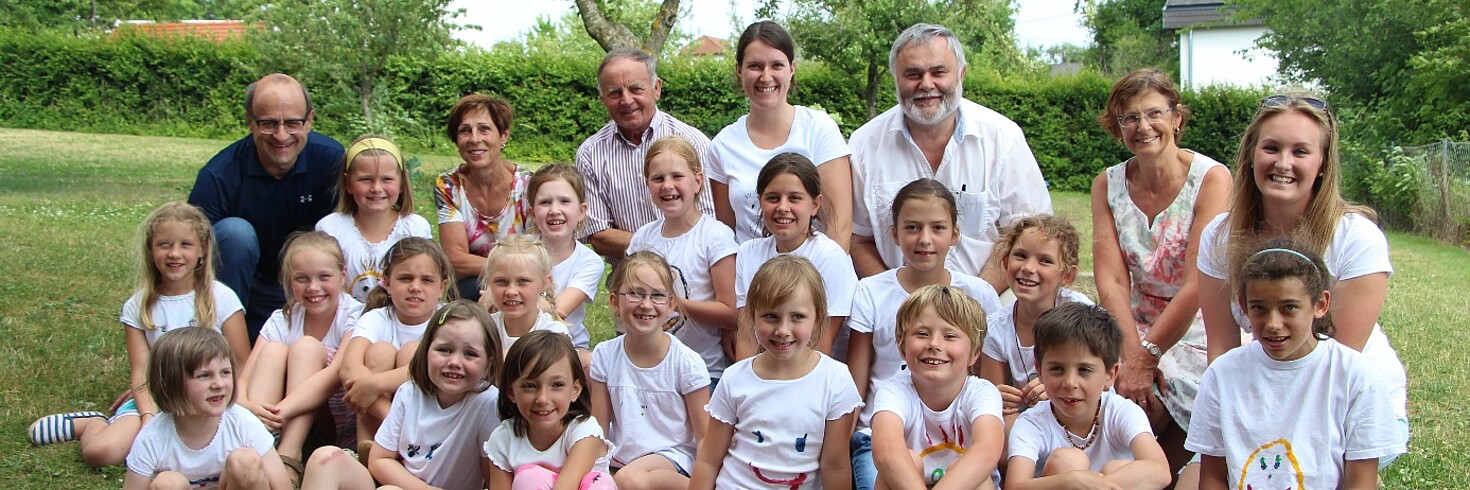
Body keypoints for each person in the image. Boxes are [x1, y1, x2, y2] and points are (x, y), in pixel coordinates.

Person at [1192, 92, 1408, 483]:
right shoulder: (1219, 237)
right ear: (1251, 155)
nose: (1283, 163)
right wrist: (1232, 424)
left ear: (1322, 163)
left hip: (1342, 402)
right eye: (1271, 148)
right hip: (1261, 387)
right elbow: (1221, 348)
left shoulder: (1357, 237)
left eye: (1301, 152)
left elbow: (1337, 364)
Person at [29, 202, 248, 468]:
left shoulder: (222, 298)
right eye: (164, 244)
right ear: (150, 250)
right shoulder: (138, 306)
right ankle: (92, 424)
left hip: (210, 399)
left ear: (203, 249)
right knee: (102, 453)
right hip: (159, 398)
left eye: (185, 245)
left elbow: (240, 363)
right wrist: (147, 417)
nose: (174, 254)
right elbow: (141, 372)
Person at [1089, 69, 1231, 470]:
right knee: (1100, 386)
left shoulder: (1212, 179)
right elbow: (1112, 280)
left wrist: (1148, 357)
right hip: (1128, 324)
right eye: (1129, 118)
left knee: (1157, 392)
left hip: (1199, 322)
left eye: (1154, 114)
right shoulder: (1107, 184)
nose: (1142, 126)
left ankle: (1166, 472)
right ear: (1118, 128)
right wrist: (1133, 349)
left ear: (1176, 119)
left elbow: (1198, 283)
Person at [1187, 240, 1404, 489]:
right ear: (1244, 305)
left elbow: (1361, 481)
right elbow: (1213, 476)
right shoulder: (1222, 375)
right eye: (1259, 308)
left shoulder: (1356, 376)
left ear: (1320, 304)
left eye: (1289, 307)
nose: (1273, 323)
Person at [849, 23, 1051, 287]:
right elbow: (858, 239)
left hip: (989, 299)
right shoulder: (864, 144)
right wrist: (896, 300)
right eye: (913, 74)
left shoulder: (1003, 138)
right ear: (895, 78)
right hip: (897, 308)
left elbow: (1029, 234)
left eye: (938, 72)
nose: (926, 84)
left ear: (961, 74)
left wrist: (973, 302)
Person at [846, 179, 1002, 490]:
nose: (925, 239)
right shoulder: (871, 292)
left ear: (955, 234)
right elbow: (856, 383)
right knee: (899, 467)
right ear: (895, 233)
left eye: (938, 228)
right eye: (913, 227)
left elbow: (987, 372)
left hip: (958, 437)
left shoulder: (978, 294)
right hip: (887, 426)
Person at [689, 255, 863, 490]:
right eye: (771, 316)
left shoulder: (835, 380)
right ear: (752, 316)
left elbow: (835, 466)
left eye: (797, 317)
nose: (783, 330)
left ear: (818, 319)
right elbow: (709, 460)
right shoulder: (734, 379)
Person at [190, 73, 344, 337]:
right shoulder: (220, 175)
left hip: (313, 283)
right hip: (248, 286)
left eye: (293, 123)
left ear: (309, 121)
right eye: (269, 123)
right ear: (250, 122)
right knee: (235, 233)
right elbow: (191, 250)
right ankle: (223, 337)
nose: (281, 135)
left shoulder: (331, 161)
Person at [301, 300, 504, 490]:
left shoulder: (487, 402)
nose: (454, 362)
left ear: (489, 365)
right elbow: (379, 459)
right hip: (406, 486)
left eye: (470, 354)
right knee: (325, 458)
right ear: (425, 353)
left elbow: (493, 478)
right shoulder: (410, 392)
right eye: (444, 350)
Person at [708, 20, 853, 247]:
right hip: (752, 278)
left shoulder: (819, 130)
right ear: (739, 70)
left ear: (792, 68)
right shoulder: (722, 146)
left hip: (814, 276)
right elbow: (727, 236)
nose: (766, 77)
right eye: (755, 66)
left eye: (777, 65)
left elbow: (839, 227)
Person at [235, 231, 363, 478]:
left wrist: (278, 411)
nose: (313, 287)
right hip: (279, 417)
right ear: (288, 280)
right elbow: (243, 378)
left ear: (343, 274)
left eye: (324, 276)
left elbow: (335, 374)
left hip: (333, 416)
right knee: (273, 350)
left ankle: (288, 457)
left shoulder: (355, 314)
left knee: (306, 347)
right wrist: (248, 406)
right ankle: (258, 449)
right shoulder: (283, 318)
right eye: (302, 278)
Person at [1004, 303, 1171, 490]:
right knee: (1067, 461)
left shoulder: (1121, 411)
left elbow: (1161, 471)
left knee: (1120, 468)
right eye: (1057, 369)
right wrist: (1070, 482)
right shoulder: (1032, 423)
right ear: (1039, 371)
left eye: (1084, 370)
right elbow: (1014, 486)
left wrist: (1096, 485)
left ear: (1110, 374)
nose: (1070, 382)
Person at [576, 48, 715, 261]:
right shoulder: (590, 154)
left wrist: (664, 252)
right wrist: (660, 249)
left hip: (694, 270)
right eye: (614, 92)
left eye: (636, 89)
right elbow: (598, 234)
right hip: (630, 281)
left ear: (656, 88)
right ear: (602, 97)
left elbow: (711, 222)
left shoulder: (695, 143)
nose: (626, 100)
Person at [588, 252, 712, 489]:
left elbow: (705, 435)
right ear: (615, 302)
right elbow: (599, 429)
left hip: (673, 458)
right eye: (635, 293)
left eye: (657, 296)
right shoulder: (604, 355)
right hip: (623, 458)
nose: (646, 304)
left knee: (627, 479)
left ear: (671, 305)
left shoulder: (686, 362)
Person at [870, 285, 1005, 490]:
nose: (934, 344)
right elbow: (886, 453)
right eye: (922, 333)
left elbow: (986, 451)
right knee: (906, 462)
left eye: (950, 336)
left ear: (974, 353)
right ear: (901, 345)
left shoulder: (982, 392)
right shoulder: (893, 392)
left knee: (973, 473)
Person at [122, 327, 292, 490]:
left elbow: (282, 487)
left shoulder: (243, 423)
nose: (219, 384)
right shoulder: (153, 437)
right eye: (204, 375)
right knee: (167, 484)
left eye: (225, 372)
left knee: (245, 462)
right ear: (171, 383)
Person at [627, 136, 739, 380]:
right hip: (648, 369)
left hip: (702, 371)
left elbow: (731, 312)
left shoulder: (715, 236)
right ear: (648, 184)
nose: (667, 185)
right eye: (658, 178)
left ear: (698, 181)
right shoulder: (641, 238)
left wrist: (673, 302)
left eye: (677, 176)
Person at [733, 153, 858, 361]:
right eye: (773, 198)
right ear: (760, 201)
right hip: (764, 368)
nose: (783, 207)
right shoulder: (748, 253)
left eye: (794, 198)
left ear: (815, 205)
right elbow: (747, 336)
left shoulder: (830, 257)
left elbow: (820, 345)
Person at [338, 237, 456, 450]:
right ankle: (369, 447)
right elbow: (349, 367)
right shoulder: (376, 318)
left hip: (432, 421)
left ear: (442, 287)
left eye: (426, 280)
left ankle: (410, 447)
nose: (415, 287)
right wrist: (392, 420)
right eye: (405, 278)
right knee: (379, 352)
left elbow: (437, 369)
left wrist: (374, 384)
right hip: (384, 418)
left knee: (413, 353)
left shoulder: (448, 320)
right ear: (387, 283)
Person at [977, 215, 1092, 432]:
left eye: (1045, 261)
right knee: (1001, 430)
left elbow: (1101, 384)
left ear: (1066, 275)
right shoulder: (996, 327)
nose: (1029, 267)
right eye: (1020, 256)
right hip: (1029, 419)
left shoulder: (1083, 316)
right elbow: (993, 399)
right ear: (1005, 263)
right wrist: (997, 397)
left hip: (1079, 414)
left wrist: (1055, 389)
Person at [484, 331, 616, 490]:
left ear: (575, 390)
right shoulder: (503, 439)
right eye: (529, 386)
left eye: (557, 385)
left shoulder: (584, 431)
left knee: (599, 483)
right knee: (530, 479)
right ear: (511, 392)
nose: (543, 399)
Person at [433, 94, 531, 301]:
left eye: (484, 129)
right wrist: (510, 266)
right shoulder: (449, 185)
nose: (474, 139)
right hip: (475, 284)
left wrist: (517, 272)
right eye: (465, 131)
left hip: (525, 285)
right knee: (464, 291)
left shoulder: (528, 186)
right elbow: (455, 261)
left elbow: (537, 257)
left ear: (503, 135)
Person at [316, 135, 432, 303]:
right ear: (348, 183)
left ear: (401, 183)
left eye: (387, 179)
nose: (376, 188)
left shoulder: (414, 228)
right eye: (365, 179)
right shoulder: (330, 229)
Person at [527, 164, 606, 348]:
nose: (554, 210)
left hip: (567, 345)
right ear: (532, 213)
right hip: (519, 339)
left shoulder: (589, 262)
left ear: (581, 211)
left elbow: (557, 311)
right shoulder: (519, 251)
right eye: (545, 202)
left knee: (588, 363)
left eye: (564, 201)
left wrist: (505, 300)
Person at [479, 235, 572, 350]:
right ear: (489, 283)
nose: (511, 292)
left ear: (544, 283)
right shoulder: (484, 329)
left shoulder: (554, 334)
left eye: (523, 281)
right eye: (501, 281)